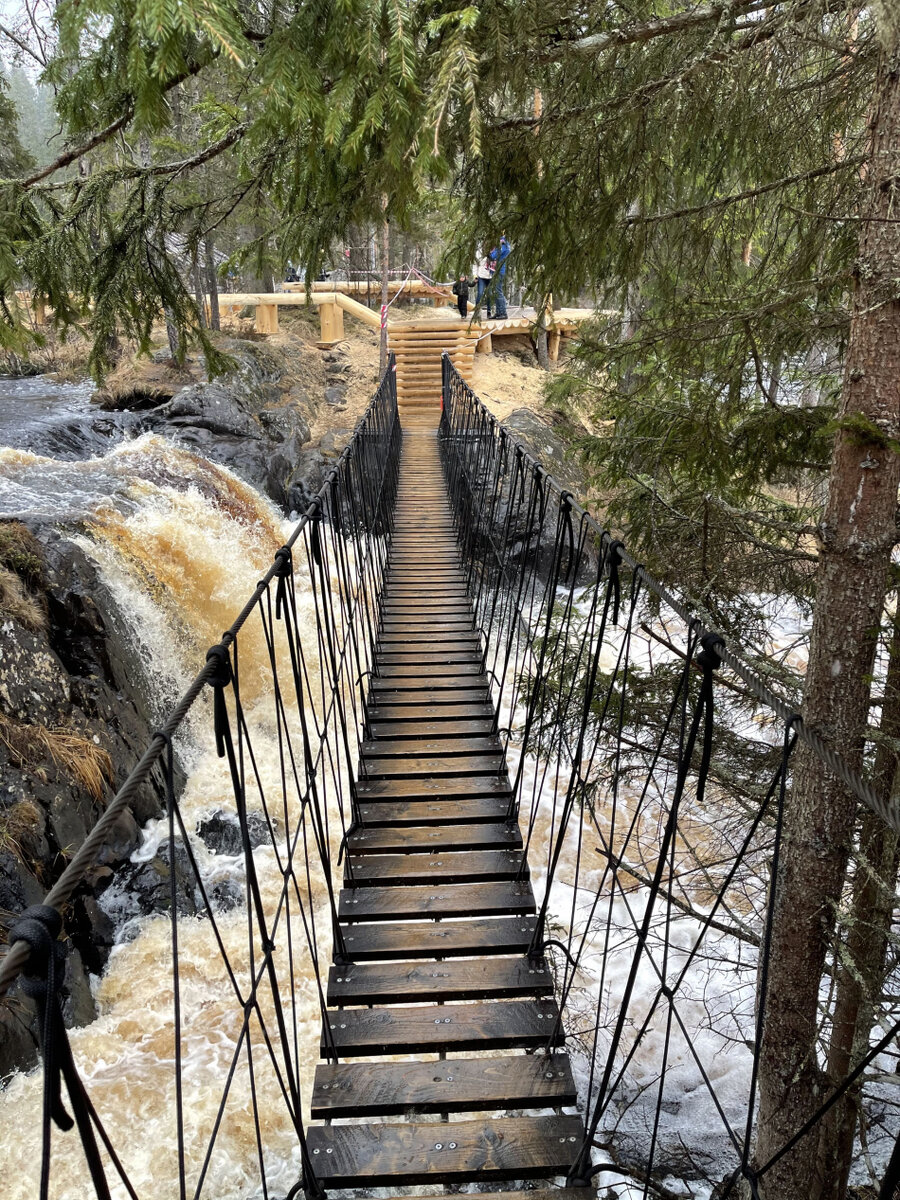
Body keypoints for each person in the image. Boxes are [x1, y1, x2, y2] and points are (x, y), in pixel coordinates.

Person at [489, 236, 511, 319]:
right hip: (494, 271)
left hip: (499, 271)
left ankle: (503, 313)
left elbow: (493, 256)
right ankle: (498, 312)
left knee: (498, 291)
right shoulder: (500, 246)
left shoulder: (504, 246)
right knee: (496, 292)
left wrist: (490, 254)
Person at [475, 254, 494, 318]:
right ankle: (477, 311)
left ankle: (489, 311)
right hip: (481, 277)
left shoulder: (493, 253)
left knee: (490, 294)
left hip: (490, 277)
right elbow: (475, 265)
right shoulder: (479, 253)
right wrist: (475, 276)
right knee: (480, 293)